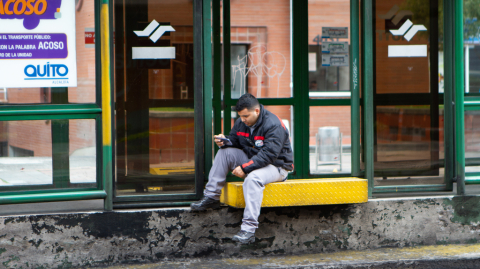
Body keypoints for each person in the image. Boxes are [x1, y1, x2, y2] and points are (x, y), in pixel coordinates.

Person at [190, 93, 294, 244]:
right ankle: (211, 196)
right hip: (254, 161)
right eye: (240, 116)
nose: (243, 119)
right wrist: (225, 141)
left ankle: (248, 230)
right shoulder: (242, 122)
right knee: (224, 152)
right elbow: (236, 140)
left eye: (246, 116)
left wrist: (245, 168)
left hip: (276, 167)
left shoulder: (273, 124)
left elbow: (269, 155)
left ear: (257, 111)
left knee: (253, 178)